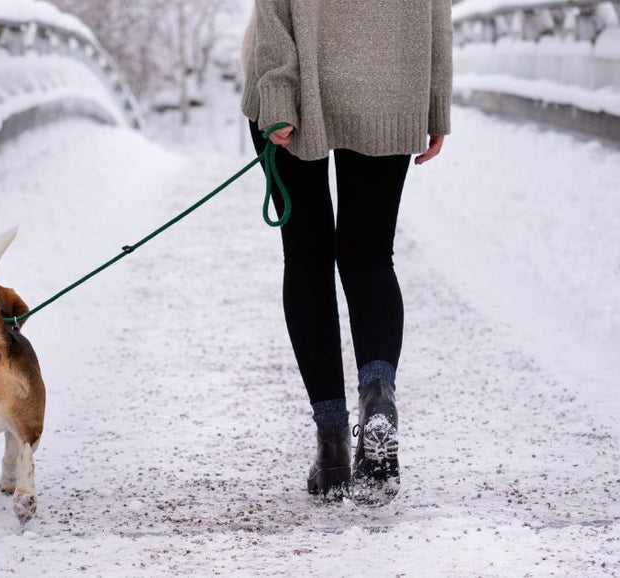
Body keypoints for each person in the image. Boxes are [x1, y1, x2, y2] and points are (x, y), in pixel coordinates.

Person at [241, 0, 452, 506]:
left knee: (308, 260)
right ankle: (377, 394)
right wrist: (436, 102)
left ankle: (333, 444)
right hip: (392, 90)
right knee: (370, 256)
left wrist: (275, 93)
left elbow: (273, 9)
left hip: (299, 89)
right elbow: (437, 12)